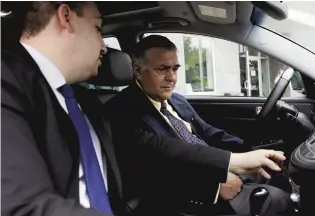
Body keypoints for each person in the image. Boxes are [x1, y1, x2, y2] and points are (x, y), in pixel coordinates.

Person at [2, 2, 286, 216]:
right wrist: (217, 180)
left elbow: (156, 146)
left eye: (176, 68)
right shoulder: (9, 86)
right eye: (98, 29)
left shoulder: (81, 101)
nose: (104, 47)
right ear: (66, 18)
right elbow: (22, 205)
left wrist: (235, 158)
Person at [105, 35, 293, 215]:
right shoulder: (120, 111)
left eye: (175, 68)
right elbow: (153, 166)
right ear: (137, 70)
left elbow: (208, 133)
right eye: (162, 69)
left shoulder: (176, 100)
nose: (172, 77)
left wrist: (247, 151)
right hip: (186, 195)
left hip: (216, 166)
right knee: (278, 201)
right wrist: (213, 186)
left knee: (279, 179)